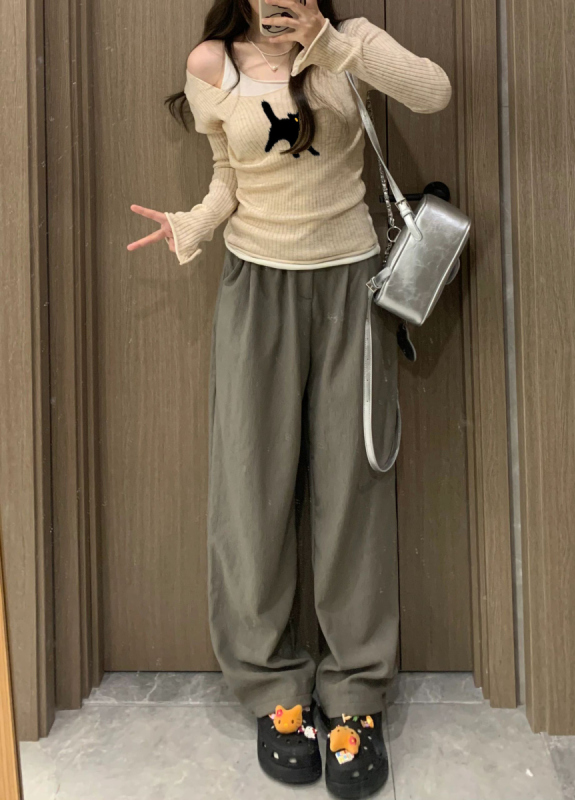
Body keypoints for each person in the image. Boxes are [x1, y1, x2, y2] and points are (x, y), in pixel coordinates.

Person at [127, 1, 451, 796]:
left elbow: (433, 93)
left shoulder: (352, 42)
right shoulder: (211, 63)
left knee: (353, 488)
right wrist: (191, 225)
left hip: (349, 286)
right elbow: (228, 177)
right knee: (252, 490)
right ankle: (274, 688)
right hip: (255, 290)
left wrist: (331, 47)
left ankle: (356, 696)